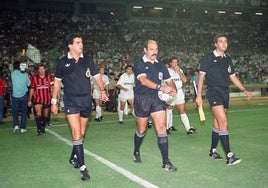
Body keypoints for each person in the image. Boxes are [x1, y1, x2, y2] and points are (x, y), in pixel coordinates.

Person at [50, 33, 108, 181]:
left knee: (81, 134)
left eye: (81, 42)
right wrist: (54, 101)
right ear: (70, 45)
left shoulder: (88, 60)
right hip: (71, 101)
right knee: (76, 133)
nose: (81, 45)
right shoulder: (63, 62)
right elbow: (56, 83)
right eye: (77, 42)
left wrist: (102, 91)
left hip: (86, 100)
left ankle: (73, 156)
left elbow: (97, 78)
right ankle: (83, 168)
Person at [196, 33, 252, 166]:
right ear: (215, 44)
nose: (223, 44)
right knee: (224, 122)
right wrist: (198, 96)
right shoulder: (208, 58)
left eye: (225, 41)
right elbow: (201, 77)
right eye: (220, 41)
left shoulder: (228, 59)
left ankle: (213, 150)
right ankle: (229, 156)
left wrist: (244, 90)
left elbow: (233, 77)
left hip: (225, 93)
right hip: (214, 92)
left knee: (217, 123)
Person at [132, 40, 177, 171]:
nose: (154, 52)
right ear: (145, 50)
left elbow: (169, 81)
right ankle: (136, 151)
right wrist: (161, 87)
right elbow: (143, 81)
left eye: (156, 49)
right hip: (142, 99)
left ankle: (166, 162)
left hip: (156, 98)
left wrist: (174, 89)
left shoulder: (161, 65)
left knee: (162, 128)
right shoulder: (139, 63)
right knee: (141, 130)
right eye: (151, 49)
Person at [166, 57, 197, 135]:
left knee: (182, 110)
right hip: (171, 91)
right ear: (170, 63)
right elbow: (166, 82)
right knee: (169, 109)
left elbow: (185, 80)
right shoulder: (167, 71)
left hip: (179, 91)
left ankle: (188, 128)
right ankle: (166, 128)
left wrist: (179, 72)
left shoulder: (180, 70)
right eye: (174, 62)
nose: (175, 64)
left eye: (176, 62)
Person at [28, 64, 54, 136]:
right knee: (38, 113)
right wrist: (30, 100)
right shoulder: (34, 78)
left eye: (43, 69)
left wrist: (54, 99)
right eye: (40, 69)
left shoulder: (50, 77)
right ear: (38, 70)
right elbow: (32, 89)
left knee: (45, 115)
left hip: (47, 99)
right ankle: (39, 129)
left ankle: (43, 127)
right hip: (37, 99)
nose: (41, 70)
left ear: (45, 69)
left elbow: (52, 89)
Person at [11, 60, 31, 133]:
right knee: (24, 112)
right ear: (20, 66)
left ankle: (16, 126)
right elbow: (29, 84)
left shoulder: (12, 74)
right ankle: (23, 127)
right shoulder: (25, 74)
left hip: (14, 95)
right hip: (23, 95)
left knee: (15, 112)